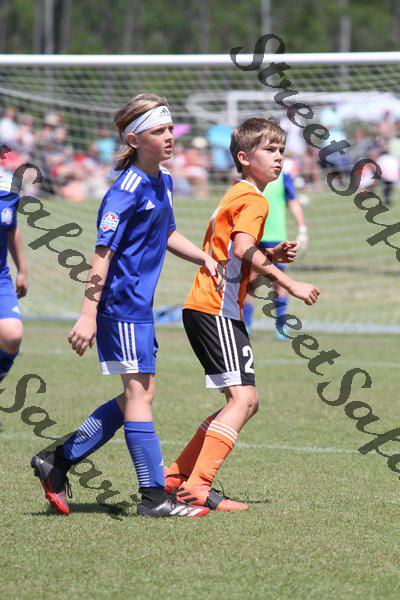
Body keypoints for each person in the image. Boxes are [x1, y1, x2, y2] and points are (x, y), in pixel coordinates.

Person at [30, 93, 222, 518]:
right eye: (159, 131)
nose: (169, 137)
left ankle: (58, 460)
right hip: (119, 306)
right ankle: (153, 497)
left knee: (141, 393)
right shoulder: (124, 191)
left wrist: (204, 257)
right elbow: (101, 255)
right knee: (138, 394)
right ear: (134, 140)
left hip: (139, 307)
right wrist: (88, 315)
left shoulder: (163, 180)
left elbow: (167, 233)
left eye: (170, 129)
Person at [164, 117, 320, 511]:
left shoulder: (237, 193)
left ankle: (177, 476)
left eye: (281, 149)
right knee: (243, 398)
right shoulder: (255, 199)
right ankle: (197, 487)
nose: (279, 157)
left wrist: (266, 255)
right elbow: (239, 249)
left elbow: (235, 254)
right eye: (270, 150)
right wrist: (290, 283)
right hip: (214, 308)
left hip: (214, 308)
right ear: (244, 157)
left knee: (246, 400)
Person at [242, 169, 308, 339]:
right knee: (251, 282)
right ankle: (245, 325)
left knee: (279, 282)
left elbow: (292, 201)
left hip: (275, 237)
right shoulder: (249, 176)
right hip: (253, 235)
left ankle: (281, 326)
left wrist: (302, 228)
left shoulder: (283, 177)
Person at [0, 171, 28, 430]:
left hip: (0, 278)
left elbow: (12, 227)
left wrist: (22, 269)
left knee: (12, 335)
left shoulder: (9, 186)